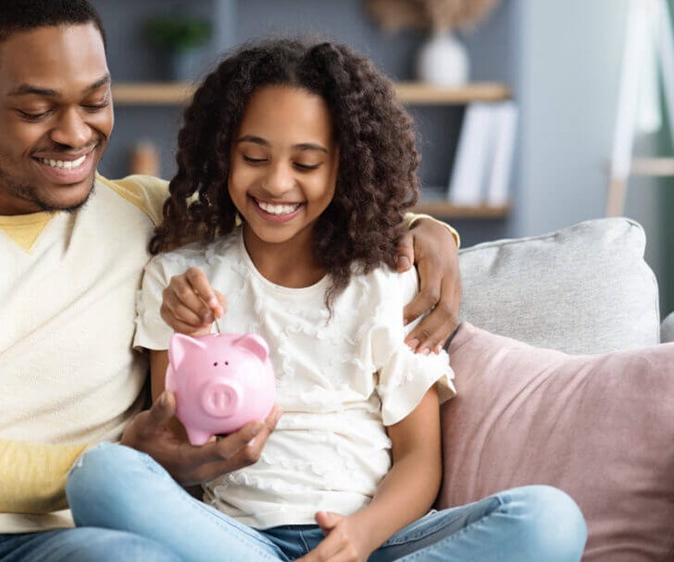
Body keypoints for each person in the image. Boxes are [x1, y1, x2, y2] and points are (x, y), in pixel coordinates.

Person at [0, 2, 462, 561]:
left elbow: (288, 208)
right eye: (36, 110)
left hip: (72, 543)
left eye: (94, 102)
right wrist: (119, 459)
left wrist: (427, 232)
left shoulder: (140, 211)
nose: (74, 134)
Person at [65, 38, 588, 562]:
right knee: (100, 475)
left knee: (550, 519)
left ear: (347, 166)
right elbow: (179, 455)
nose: (276, 182)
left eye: (307, 164)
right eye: (253, 156)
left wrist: (359, 537)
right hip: (237, 542)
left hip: (373, 541)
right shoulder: (179, 279)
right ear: (222, 152)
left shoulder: (388, 280)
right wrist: (194, 338)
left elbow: (419, 461)